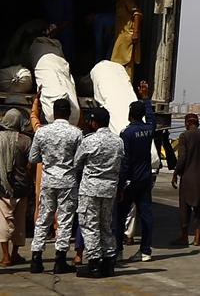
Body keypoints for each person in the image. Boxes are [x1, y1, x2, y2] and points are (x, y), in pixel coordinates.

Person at [29, 95, 82, 275]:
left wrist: (48, 161)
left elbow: (33, 157)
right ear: (68, 114)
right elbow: (80, 159)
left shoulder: (42, 132)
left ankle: (36, 258)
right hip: (68, 181)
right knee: (65, 220)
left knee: (43, 218)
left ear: (53, 113)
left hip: (48, 180)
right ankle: (60, 260)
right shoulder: (76, 133)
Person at [74, 108, 124, 279]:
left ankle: (94, 263)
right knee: (106, 225)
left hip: (91, 189)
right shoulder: (118, 141)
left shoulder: (89, 140)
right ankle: (109, 261)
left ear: (94, 122)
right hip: (109, 189)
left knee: (90, 226)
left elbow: (77, 162)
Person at [0, 108, 32, 267]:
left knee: (3, 222)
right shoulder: (26, 141)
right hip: (21, 187)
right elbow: (31, 164)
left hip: (2, 187)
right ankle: (15, 254)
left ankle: (5, 256)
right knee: (20, 222)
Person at [117, 100, 156, 262]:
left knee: (119, 216)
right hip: (145, 179)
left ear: (130, 114)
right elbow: (152, 119)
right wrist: (147, 100)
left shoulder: (126, 133)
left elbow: (125, 161)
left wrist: (120, 184)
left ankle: (118, 251)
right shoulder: (148, 130)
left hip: (130, 181)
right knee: (146, 215)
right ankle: (145, 250)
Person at [172, 113, 200, 247]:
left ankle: (184, 237)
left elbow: (182, 158)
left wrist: (176, 173)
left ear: (187, 123)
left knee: (184, 208)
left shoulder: (184, 136)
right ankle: (197, 239)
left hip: (188, 178)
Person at [109, 0, 142, 80]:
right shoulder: (119, 0)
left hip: (128, 36)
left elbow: (137, 14)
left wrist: (135, 32)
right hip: (121, 37)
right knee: (117, 62)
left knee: (127, 64)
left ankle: (127, 88)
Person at [41, 0, 76, 66]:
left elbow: (70, 19)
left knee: (67, 36)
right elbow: (44, 17)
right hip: (51, 27)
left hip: (63, 27)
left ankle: (67, 64)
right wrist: (48, 28)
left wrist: (58, 29)